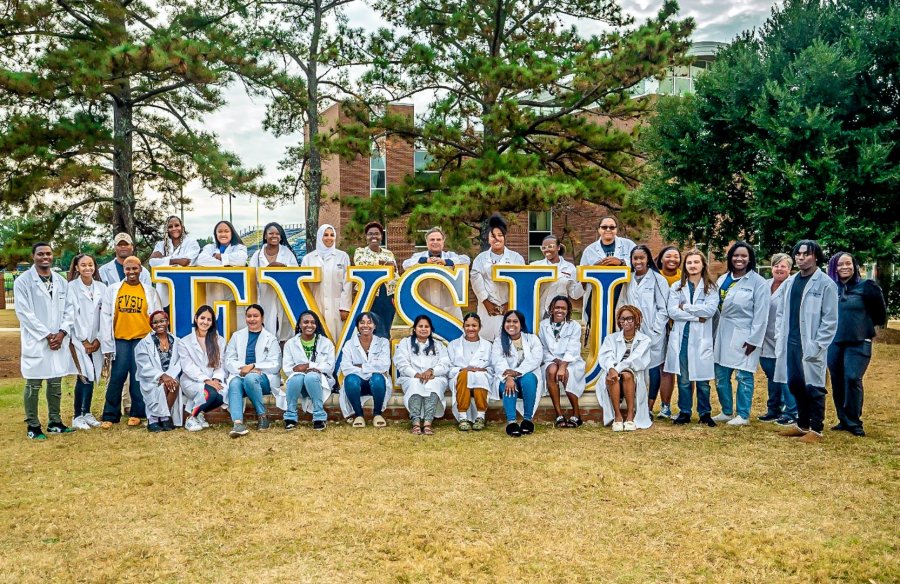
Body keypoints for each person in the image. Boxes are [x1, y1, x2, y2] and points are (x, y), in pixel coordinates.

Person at [775, 240, 839, 443]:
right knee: (795, 384)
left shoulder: (825, 283)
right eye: (798, 254)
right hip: (791, 342)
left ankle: (817, 429)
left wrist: (819, 344)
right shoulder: (790, 282)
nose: (801, 258)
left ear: (816, 257)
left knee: (814, 386)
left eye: (806, 254)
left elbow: (830, 319)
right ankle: (803, 425)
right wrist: (779, 334)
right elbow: (780, 312)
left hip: (811, 343)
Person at [15, 243, 76, 439]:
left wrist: (61, 333)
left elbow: (69, 309)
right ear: (33, 256)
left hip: (58, 340)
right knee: (33, 383)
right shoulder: (23, 282)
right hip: (38, 340)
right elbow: (24, 313)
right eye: (40, 254)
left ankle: (55, 422)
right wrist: (47, 335)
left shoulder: (60, 281)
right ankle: (33, 425)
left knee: (55, 382)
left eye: (48, 254)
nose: (45, 257)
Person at [826, 251, 887, 437]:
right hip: (835, 342)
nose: (844, 267)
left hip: (859, 341)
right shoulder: (831, 288)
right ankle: (843, 419)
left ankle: (854, 421)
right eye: (840, 264)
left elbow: (880, 314)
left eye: (848, 264)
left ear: (855, 266)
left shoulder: (867, 286)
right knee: (837, 380)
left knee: (852, 378)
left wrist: (864, 327)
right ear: (833, 268)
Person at [99, 256, 163, 428]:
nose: (131, 272)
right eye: (128, 269)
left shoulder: (149, 291)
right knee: (117, 377)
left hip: (142, 339)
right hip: (121, 339)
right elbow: (105, 317)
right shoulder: (113, 290)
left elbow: (157, 315)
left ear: (140, 269)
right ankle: (110, 414)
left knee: (138, 377)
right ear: (124, 270)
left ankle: (137, 412)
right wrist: (106, 342)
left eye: (135, 268)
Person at [712, 242, 770, 426]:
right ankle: (727, 411)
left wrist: (754, 339)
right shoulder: (723, 279)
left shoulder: (758, 283)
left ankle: (743, 414)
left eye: (744, 256)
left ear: (750, 258)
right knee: (721, 375)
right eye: (736, 255)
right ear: (730, 258)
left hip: (745, 334)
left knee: (743, 375)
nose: (740, 259)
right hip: (722, 332)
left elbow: (762, 314)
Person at [665, 250, 719, 427]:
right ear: (685, 266)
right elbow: (672, 312)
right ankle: (684, 412)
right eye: (689, 262)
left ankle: (705, 413)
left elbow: (710, 311)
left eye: (696, 262)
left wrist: (686, 307)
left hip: (702, 339)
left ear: (703, 264)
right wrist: (697, 315)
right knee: (684, 379)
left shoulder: (711, 287)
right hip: (682, 339)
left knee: (703, 380)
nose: (693, 265)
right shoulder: (677, 287)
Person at [617, 245, 669, 416]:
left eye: (642, 258)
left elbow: (664, 308)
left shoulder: (657, 279)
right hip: (633, 331)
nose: (638, 261)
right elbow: (623, 302)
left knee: (653, 368)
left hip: (653, 331)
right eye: (635, 258)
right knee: (634, 365)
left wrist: (655, 330)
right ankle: (634, 403)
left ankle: (649, 406)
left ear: (648, 259)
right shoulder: (628, 279)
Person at [224, 304, 284, 437]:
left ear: (262, 318)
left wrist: (253, 366)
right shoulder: (237, 336)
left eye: (255, 316)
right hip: (241, 375)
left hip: (263, 379)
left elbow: (275, 364)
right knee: (234, 383)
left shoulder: (271, 339)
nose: (252, 319)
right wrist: (242, 370)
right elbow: (228, 359)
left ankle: (262, 416)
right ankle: (238, 423)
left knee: (251, 379)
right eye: (249, 316)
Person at [65, 253, 107, 430]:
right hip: (78, 340)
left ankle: (87, 412)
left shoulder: (102, 287)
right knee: (83, 376)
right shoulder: (71, 288)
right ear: (76, 268)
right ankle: (77, 415)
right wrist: (83, 340)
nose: (87, 268)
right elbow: (72, 315)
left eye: (90, 265)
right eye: (83, 265)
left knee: (93, 374)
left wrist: (98, 338)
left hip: (96, 339)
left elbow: (105, 315)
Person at [578, 215, 636, 339]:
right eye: (604, 227)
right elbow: (582, 276)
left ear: (617, 229)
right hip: (598, 298)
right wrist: (595, 267)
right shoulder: (590, 250)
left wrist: (621, 262)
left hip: (621, 294)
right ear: (599, 230)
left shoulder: (628, 245)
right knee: (600, 332)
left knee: (620, 330)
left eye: (612, 227)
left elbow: (639, 263)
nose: (608, 230)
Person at [597, 305, 654, 431]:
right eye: (622, 319)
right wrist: (611, 368)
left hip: (634, 371)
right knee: (614, 378)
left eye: (629, 319)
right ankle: (617, 417)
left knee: (627, 375)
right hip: (613, 372)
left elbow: (635, 359)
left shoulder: (645, 340)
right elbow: (606, 356)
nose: (625, 322)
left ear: (637, 320)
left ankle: (630, 416)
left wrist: (616, 370)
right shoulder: (611, 338)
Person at [758, 253, 798, 426]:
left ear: (790, 269)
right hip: (764, 338)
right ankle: (773, 409)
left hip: (783, 337)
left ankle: (792, 411)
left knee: (784, 375)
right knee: (771, 374)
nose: (779, 269)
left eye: (783, 266)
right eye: (776, 265)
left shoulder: (792, 285)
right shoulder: (765, 285)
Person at [490, 310, 544, 438]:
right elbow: (498, 361)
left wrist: (517, 372)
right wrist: (509, 377)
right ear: (504, 324)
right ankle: (512, 422)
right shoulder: (499, 341)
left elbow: (535, 359)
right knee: (509, 385)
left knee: (529, 378)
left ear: (521, 324)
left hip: (525, 378)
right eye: (508, 321)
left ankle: (527, 420)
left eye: (515, 321)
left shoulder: (532, 339)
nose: (511, 324)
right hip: (506, 378)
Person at [472, 215, 525, 342]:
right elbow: (475, 279)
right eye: (493, 236)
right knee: (486, 341)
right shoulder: (480, 258)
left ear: (505, 237)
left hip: (508, 306)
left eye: (500, 235)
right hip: (487, 308)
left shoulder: (516, 258)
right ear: (488, 238)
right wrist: (486, 301)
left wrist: (510, 302)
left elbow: (521, 282)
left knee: (507, 340)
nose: (496, 239)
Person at [401, 226, 471, 322]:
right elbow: (405, 264)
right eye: (432, 239)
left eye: (438, 239)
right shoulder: (418, 256)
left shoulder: (450, 255)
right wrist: (425, 261)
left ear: (443, 242)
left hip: (450, 306)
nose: (435, 242)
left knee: (456, 334)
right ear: (427, 242)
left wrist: (446, 262)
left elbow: (466, 260)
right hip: (426, 305)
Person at [394, 315, 450, 435]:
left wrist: (432, 371)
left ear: (431, 329)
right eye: (420, 326)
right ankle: (416, 422)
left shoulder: (438, 345)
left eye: (426, 326)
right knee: (415, 384)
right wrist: (416, 374)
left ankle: (428, 423)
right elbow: (401, 362)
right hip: (411, 377)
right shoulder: (405, 343)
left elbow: (445, 363)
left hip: (434, 377)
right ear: (414, 328)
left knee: (433, 384)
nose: (423, 329)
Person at [282, 310, 335, 432]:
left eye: (313, 322)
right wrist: (307, 369)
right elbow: (288, 368)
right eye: (306, 322)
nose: (309, 325)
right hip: (298, 384)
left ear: (317, 325)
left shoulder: (326, 343)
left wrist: (307, 366)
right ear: (299, 325)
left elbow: (329, 366)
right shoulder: (290, 343)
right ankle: (290, 417)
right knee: (297, 377)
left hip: (318, 382)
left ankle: (319, 417)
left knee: (311, 377)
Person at [538, 296, 586, 428]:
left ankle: (577, 414)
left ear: (568, 310)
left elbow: (573, 348)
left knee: (567, 375)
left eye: (563, 308)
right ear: (551, 309)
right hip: (551, 359)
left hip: (571, 360)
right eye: (557, 307)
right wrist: (557, 362)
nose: (560, 310)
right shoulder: (543, 325)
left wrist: (563, 365)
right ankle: (559, 414)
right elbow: (543, 348)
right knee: (551, 370)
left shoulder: (574, 326)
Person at [177, 305, 227, 432]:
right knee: (210, 393)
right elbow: (188, 367)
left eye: (209, 319)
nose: (205, 322)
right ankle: (191, 418)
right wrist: (206, 380)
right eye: (202, 318)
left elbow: (220, 364)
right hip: (192, 380)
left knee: (225, 394)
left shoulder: (219, 340)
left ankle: (198, 414)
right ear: (195, 318)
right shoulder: (184, 342)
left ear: (212, 322)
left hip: (214, 380)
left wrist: (216, 379)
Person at [301, 224, 353, 343]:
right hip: (315, 303)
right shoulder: (308, 259)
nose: (329, 238)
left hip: (337, 305)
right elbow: (303, 285)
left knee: (338, 337)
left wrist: (345, 307)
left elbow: (347, 283)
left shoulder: (342, 257)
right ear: (320, 237)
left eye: (332, 235)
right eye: (325, 235)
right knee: (317, 338)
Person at [339, 312, 391, 427]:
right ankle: (359, 415)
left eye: (369, 322)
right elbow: (346, 368)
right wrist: (373, 367)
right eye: (362, 322)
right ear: (357, 326)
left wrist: (361, 366)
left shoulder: (383, 342)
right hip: (357, 384)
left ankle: (377, 414)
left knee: (377, 378)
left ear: (375, 325)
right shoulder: (349, 344)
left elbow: (384, 366)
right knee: (351, 379)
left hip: (377, 385)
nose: (365, 326)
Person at [249, 222, 299, 341]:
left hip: (283, 296)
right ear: (265, 236)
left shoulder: (287, 253)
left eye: (277, 234)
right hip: (265, 295)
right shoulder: (257, 255)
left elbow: (296, 272)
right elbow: (251, 276)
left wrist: (283, 267)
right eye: (271, 233)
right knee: (267, 324)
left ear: (281, 237)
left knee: (285, 327)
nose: (274, 236)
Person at [133, 310, 182, 432]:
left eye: (162, 321)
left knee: (174, 384)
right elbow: (143, 365)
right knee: (160, 386)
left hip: (171, 376)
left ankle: (165, 417)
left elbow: (180, 362)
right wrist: (161, 376)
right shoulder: (144, 343)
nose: (159, 324)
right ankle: (153, 418)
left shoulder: (176, 341)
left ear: (168, 322)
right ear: (151, 325)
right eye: (155, 322)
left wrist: (169, 376)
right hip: (152, 378)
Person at [444, 313, 492, 431]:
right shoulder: (453, 345)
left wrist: (483, 369)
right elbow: (448, 368)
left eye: (474, 325)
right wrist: (463, 369)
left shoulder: (488, 345)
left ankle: (480, 417)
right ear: (463, 326)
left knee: (479, 376)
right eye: (468, 325)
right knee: (465, 374)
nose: (471, 328)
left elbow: (493, 367)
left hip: (481, 379)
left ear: (480, 327)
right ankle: (463, 417)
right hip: (460, 379)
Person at [353, 221, 399, 338]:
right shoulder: (360, 252)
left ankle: (384, 354)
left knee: (386, 328)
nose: (374, 236)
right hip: (369, 295)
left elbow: (395, 273)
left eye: (377, 233)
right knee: (370, 327)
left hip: (387, 295)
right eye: (370, 234)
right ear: (366, 237)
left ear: (381, 236)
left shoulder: (389, 253)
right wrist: (384, 263)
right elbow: (361, 264)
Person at [148, 215, 201, 309]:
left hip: (184, 289)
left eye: (176, 225)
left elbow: (186, 262)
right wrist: (175, 260)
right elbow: (152, 262)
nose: (174, 228)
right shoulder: (161, 245)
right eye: (170, 226)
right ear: (167, 229)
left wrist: (164, 260)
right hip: (164, 293)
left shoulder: (191, 243)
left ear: (182, 227)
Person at [654, 245, 682, 418]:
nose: (672, 259)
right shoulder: (656, 277)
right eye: (668, 256)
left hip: (678, 327)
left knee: (684, 369)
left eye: (676, 256)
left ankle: (684, 406)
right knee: (665, 368)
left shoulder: (684, 278)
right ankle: (665, 406)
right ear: (661, 259)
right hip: (660, 327)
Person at [196, 220, 249, 307]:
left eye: (226, 231)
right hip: (213, 292)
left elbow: (241, 260)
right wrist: (227, 264)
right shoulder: (210, 247)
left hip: (233, 292)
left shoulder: (240, 247)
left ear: (232, 233)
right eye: (220, 231)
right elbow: (201, 260)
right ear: (216, 234)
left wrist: (221, 257)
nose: (223, 234)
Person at [530, 234, 584, 319]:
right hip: (539, 313)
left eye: (550, 246)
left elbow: (575, 294)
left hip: (560, 312)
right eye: (543, 248)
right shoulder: (534, 266)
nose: (546, 250)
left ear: (558, 247)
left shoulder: (570, 268)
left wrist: (583, 283)